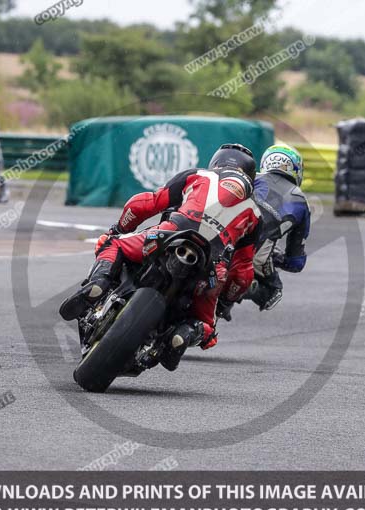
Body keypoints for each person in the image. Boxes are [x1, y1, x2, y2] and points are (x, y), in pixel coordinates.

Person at [59, 143, 261, 371]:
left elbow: (145, 204)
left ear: (216, 163)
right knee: (207, 327)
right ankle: (185, 334)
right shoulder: (255, 212)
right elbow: (243, 271)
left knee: (115, 245)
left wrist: (119, 229)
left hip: (173, 231)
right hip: (211, 263)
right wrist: (227, 297)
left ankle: (99, 282)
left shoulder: (199, 175)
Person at [217, 143, 310, 320]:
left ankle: (222, 300)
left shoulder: (251, 178)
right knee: (273, 291)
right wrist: (277, 257)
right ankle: (229, 298)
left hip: (220, 231)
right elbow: (296, 262)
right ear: (296, 170)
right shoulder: (301, 201)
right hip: (255, 252)